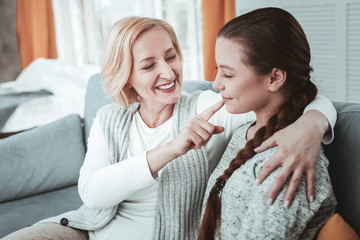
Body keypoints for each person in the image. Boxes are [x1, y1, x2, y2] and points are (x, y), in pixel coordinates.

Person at [3, 16, 336, 240]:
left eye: (171, 56)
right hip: (88, 228)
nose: (168, 72)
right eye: (149, 65)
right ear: (127, 77)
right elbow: (91, 193)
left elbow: (298, 95)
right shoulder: (110, 119)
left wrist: (312, 124)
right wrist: (171, 148)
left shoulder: (211, 108)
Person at [198, 7, 337, 240]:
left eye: (228, 74)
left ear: (274, 78)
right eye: (217, 71)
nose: (216, 84)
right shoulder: (244, 132)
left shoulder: (290, 162)